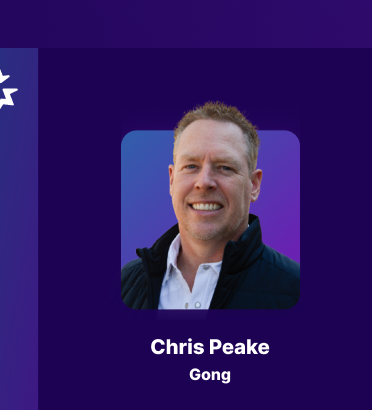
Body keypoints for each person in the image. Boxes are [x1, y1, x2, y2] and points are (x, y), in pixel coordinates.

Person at [121, 102, 299, 310]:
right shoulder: (125, 283)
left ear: (254, 185)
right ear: (172, 180)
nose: (204, 182)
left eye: (225, 167)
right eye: (191, 166)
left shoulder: (296, 290)